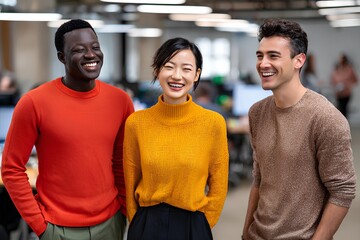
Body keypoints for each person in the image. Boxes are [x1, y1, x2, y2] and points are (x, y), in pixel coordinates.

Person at [1, 19, 134, 239]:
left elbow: (122, 162)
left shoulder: (120, 101)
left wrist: (124, 210)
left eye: (95, 47)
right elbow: (11, 169)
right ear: (62, 57)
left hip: (111, 223)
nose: (91, 55)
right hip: (56, 227)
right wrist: (40, 225)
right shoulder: (34, 102)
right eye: (79, 50)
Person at [242, 18, 356, 240]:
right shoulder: (256, 113)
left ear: (299, 60)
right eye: (260, 56)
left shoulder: (326, 118)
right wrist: (246, 232)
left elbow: (342, 192)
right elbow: (259, 179)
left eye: (273, 56)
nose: (263, 63)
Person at [123, 37, 229, 240]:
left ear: (197, 74)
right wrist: (138, 223)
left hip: (192, 224)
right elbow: (130, 181)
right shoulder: (137, 123)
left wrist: (204, 223)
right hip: (147, 224)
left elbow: (218, 184)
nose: (177, 76)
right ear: (157, 70)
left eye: (187, 69)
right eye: (169, 67)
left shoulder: (212, 122)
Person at [331, 53, 358, 118]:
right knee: (339, 109)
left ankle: (345, 123)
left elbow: (355, 80)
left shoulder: (349, 69)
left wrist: (348, 84)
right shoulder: (337, 69)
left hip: (346, 93)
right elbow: (333, 79)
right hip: (339, 93)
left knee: (344, 109)